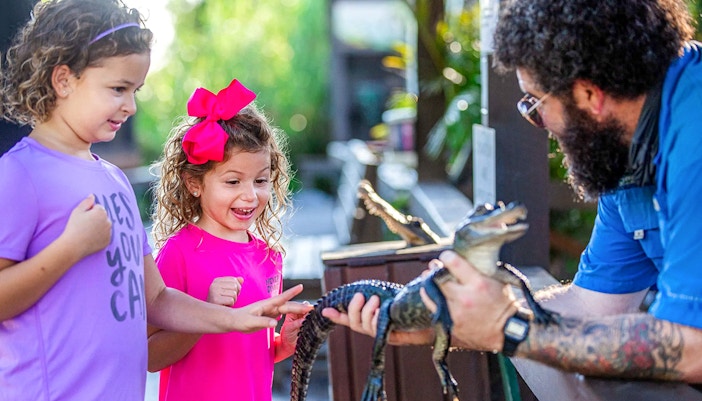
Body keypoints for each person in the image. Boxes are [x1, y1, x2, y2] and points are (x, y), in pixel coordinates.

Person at [323, 0, 702, 385]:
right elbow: (592, 305)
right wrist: (449, 318)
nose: (539, 125)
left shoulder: (694, 141)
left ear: (589, 94)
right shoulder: (628, 147)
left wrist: (510, 329)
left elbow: (692, 347)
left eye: (534, 104)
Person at [0, 1, 311, 400]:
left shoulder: (114, 181)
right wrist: (71, 247)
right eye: (118, 89)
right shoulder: (19, 175)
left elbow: (158, 300)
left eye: (135, 91)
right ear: (64, 80)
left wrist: (236, 318)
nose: (130, 106)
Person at [146, 78, 306, 401]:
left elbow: (250, 353)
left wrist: (284, 343)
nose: (250, 195)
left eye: (261, 180)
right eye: (233, 181)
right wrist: (206, 314)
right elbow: (150, 356)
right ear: (194, 183)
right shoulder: (179, 253)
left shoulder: (269, 257)